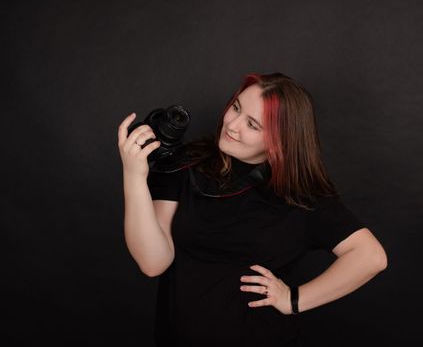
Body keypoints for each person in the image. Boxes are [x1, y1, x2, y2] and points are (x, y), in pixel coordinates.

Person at [117, 72, 388, 346]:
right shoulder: (185, 164)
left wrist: (293, 300)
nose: (232, 125)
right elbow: (153, 263)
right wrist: (134, 177)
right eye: (235, 107)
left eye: (252, 124)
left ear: (280, 140)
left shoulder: (299, 196)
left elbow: (370, 257)